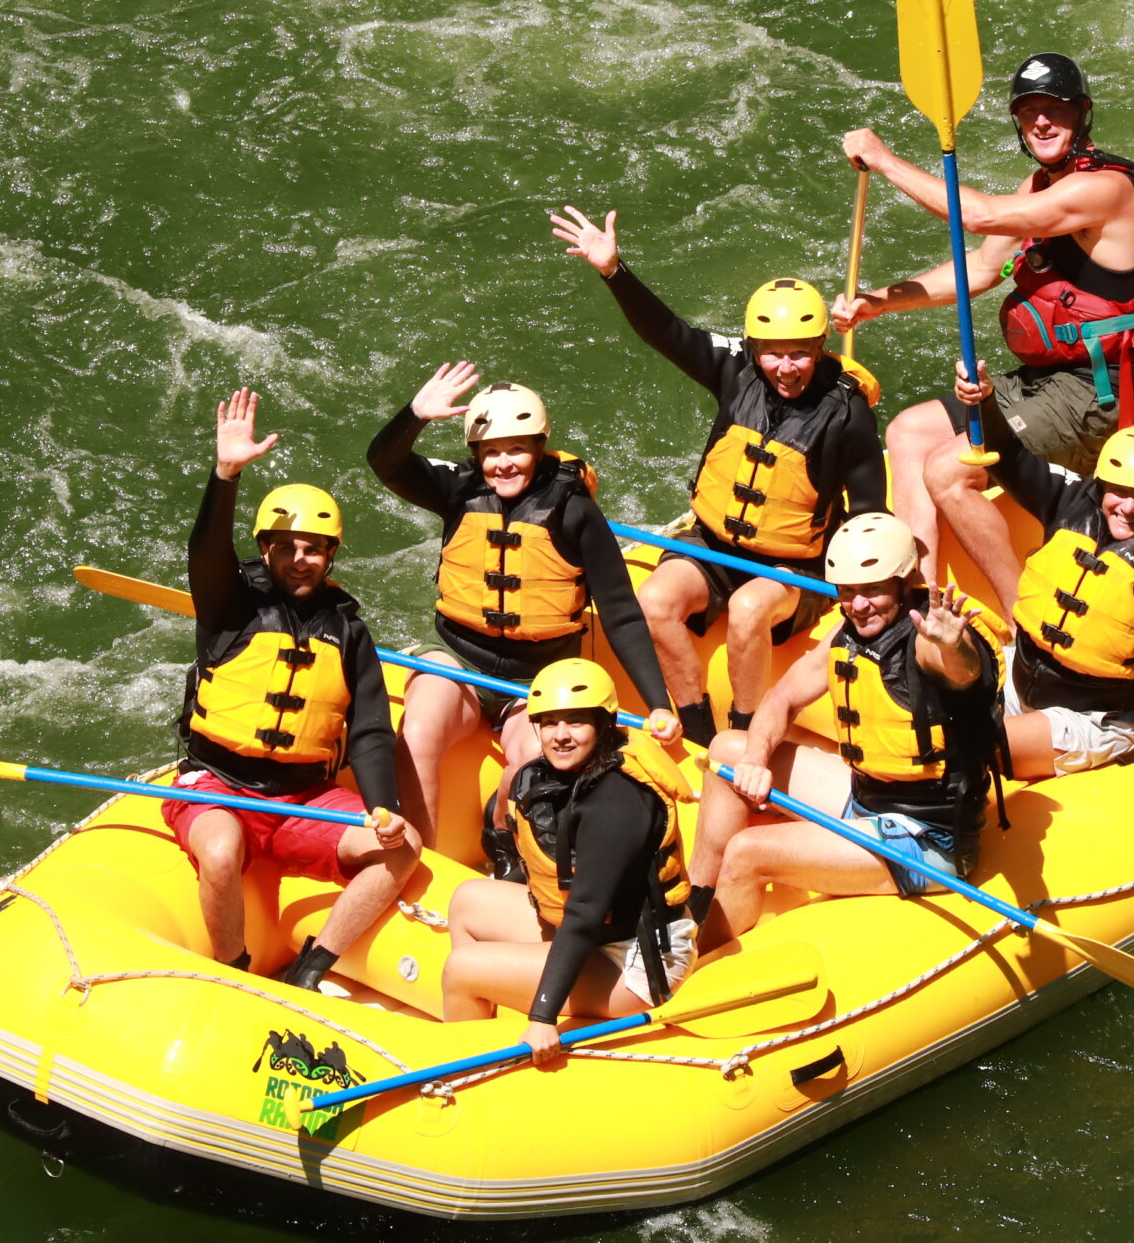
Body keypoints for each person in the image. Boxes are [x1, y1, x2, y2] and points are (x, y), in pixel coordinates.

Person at [833, 53, 1134, 612]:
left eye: (1054, 109)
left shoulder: (1105, 190)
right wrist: (877, 303)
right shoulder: (1039, 186)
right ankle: (920, 601)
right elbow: (982, 267)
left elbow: (980, 217)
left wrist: (886, 160)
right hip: (1046, 381)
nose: (1041, 122)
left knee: (947, 471)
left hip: (1097, 394)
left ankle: (1023, 621)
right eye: (1028, 111)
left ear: (1082, 113)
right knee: (908, 431)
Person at [550, 205, 886, 742]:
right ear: (754, 349)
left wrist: (873, 590)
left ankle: (746, 732)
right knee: (654, 602)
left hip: (795, 565)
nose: (786, 368)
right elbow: (668, 333)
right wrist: (614, 271)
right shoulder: (735, 371)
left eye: (800, 354)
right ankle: (698, 726)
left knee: (750, 608)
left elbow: (870, 512)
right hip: (711, 545)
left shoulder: (848, 414)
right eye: (774, 354)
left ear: (820, 347)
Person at [368, 363, 679, 852]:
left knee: (535, 760)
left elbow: (620, 612)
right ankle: (416, 857)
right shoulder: (458, 490)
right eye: (491, 452)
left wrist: (658, 702)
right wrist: (416, 415)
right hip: (456, 657)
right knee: (420, 729)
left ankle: (501, 833)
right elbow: (385, 463)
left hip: (536, 676)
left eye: (516, 449)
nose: (503, 464)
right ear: (476, 455)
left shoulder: (574, 511)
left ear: (539, 448)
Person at [171, 388, 415, 991]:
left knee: (403, 847)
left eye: (313, 549)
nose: (299, 560)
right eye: (286, 548)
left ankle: (314, 963)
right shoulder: (229, 606)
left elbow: (370, 731)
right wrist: (225, 475)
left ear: (331, 555)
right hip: (217, 785)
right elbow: (205, 552)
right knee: (220, 853)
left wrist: (384, 807)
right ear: (265, 550)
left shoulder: (350, 632)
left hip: (302, 798)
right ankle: (233, 969)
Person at [686, 512, 1006, 939]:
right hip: (867, 798)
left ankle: (697, 961)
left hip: (925, 839)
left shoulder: (930, 641)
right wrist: (756, 760)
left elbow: (962, 673)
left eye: (872, 590)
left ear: (904, 581)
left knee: (748, 852)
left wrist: (952, 646)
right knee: (729, 748)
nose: (858, 605)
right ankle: (691, 908)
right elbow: (783, 698)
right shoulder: (850, 630)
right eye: (849, 591)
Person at [954, 368, 1134, 821]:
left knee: (963, 747)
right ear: (1102, 484)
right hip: (1021, 681)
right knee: (923, 701)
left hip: (1098, 719)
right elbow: (1009, 457)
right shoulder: (1070, 502)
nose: (1129, 507)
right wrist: (984, 401)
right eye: (1119, 491)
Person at [440, 659, 699, 1066]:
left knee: (462, 968)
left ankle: (469, 1073)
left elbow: (585, 914)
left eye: (576, 722)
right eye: (549, 723)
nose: (560, 735)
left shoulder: (618, 801)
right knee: (467, 900)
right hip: (601, 933)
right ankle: (485, 1023)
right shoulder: (564, 774)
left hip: (636, 961)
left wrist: (543, 1016)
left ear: (604, 723)